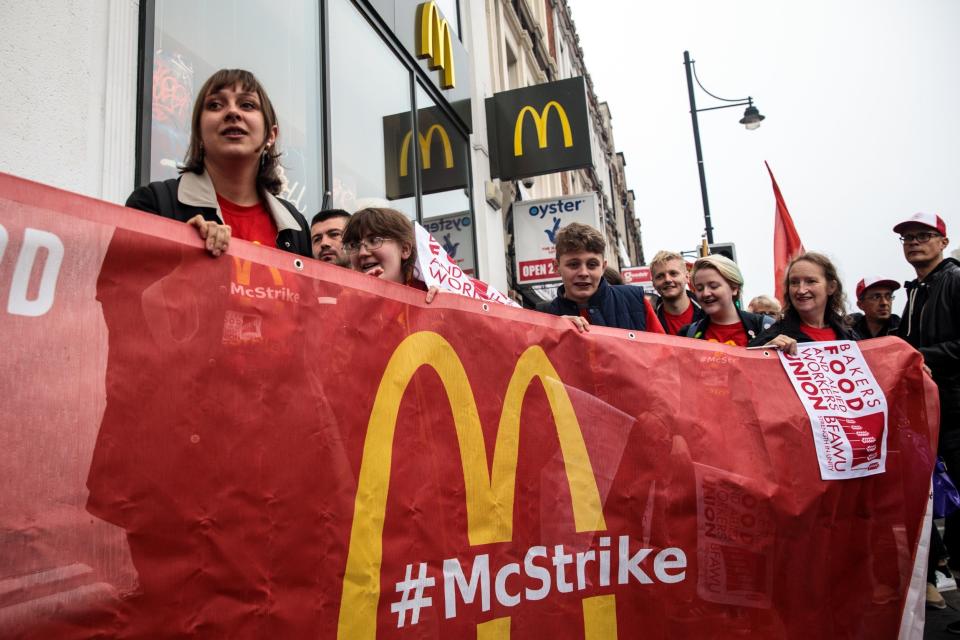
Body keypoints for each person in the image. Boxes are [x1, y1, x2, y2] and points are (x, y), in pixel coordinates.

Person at [125, 69, 311, 258]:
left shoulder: (297, 227)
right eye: (215, 105)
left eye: (247, 105)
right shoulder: (154, 204)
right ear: (198, 132)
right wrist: (183, 249)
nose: (232, 112)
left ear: (271, 135)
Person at [891, 212, 960, 614]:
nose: (913, 243)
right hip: (933, 416)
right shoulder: (917, 289)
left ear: (942, 241)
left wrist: (916, 357)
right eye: (906, 238)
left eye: (923, 236)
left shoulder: (952, 280)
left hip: (954, 412)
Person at [543, 223, 665, 333]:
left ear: (603, 267)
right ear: (556, 267)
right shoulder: (543, 317)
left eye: (592, 265)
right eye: (573, 264)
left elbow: (662, 352)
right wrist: (552, 331)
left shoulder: (635, 301)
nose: (583, 273)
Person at [749, 252, 856, 353]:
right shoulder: (771, 338)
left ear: (831, 287)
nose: (801, 290)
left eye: (811, 281)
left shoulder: (850, 335)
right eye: (794, 282)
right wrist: (766, 355)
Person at [680, 255, 775, 346]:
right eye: (699, 288)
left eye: (713, 286)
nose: (705, 293)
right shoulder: (688, 334)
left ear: (734, 288)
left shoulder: (767, 327)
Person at [650, 250, 704, 335]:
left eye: (673, 273)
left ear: (687, 277)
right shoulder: (648, 320)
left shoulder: (708, 312)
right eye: (660, 276)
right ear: (653, 283)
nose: (667, 279)